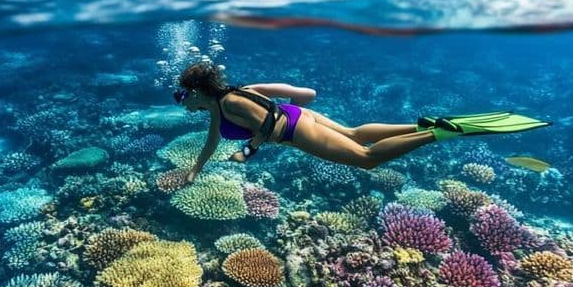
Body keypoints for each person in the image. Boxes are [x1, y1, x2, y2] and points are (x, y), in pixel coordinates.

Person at [174, 62, 550, 183]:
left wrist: (249, 150)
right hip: (299, 116)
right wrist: (195, 169)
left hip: (292, 130)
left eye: (182, 95)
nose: (182, 102)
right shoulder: (229, 99)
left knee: (367, 159)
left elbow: (267, 123)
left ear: (196, 91)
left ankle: (436, 134)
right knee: (355, 133)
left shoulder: (231, 103)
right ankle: (422, 125)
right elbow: (302, 94)